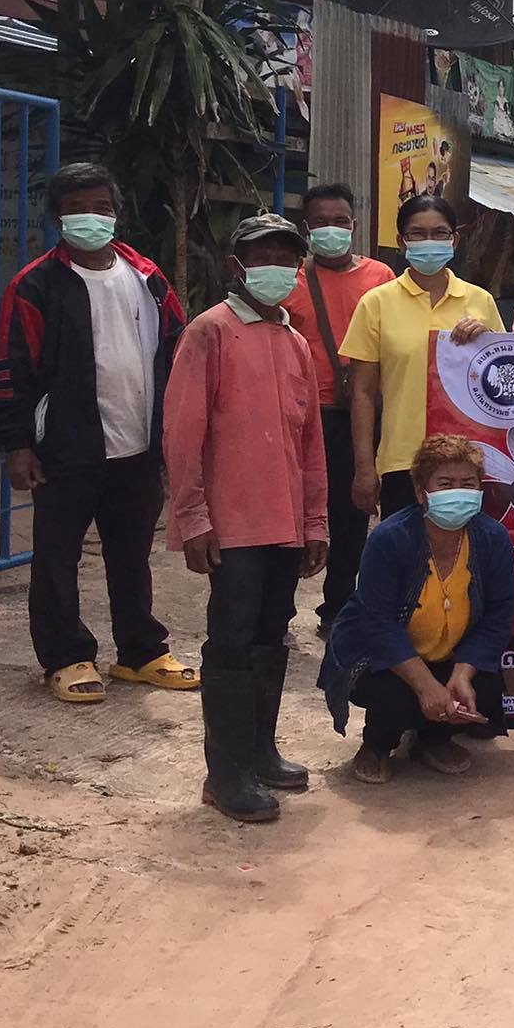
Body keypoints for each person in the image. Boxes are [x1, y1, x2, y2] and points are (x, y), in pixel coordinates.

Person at [0, 162, 198, 704]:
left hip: (138, 446)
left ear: (116, 213)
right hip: (66, 447)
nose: (90, 217)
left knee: (132, 554)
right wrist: (17, 445)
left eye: (101, 207)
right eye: (76, 208)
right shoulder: (34, 285)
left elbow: (178, 349)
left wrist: (173, 436)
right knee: (57, 557)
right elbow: (11, 366)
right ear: (57, 217)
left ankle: (140, 651)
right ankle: (65, 656)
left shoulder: (148, 278)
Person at [162, 215, 328, 822]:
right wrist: (193, 517)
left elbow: (310, 441)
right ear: (238, 267)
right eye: (263, 257)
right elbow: (182, 433)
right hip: (233, 523)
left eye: (287, 258)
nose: (276, 269)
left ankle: (260, 750)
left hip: (285, 521)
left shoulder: (295, 342)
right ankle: (225, 772)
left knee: (270, 631)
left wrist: (316, 521)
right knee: (231, 637)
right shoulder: (209, 331)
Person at [320, 434, 514, 783]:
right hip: (380, 658)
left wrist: (462, 675)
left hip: (450, 656)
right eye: (445, 483)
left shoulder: (493, 539)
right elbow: (377, 624)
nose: (458, 492)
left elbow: (497, 618)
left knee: (485, 687)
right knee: (397, 696)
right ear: (421, 492)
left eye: (468, 483)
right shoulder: (390, 538)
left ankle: (433, 741)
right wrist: (425, 686)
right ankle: (377, 743)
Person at [341, 195, 503, 519]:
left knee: (467, 549)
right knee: (405, 548)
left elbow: (501, 382)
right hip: (403, 461)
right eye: (418, 233)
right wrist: (364, 467)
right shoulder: (376, 303)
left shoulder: (481, 302)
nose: (429, 241)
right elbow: (363, 392)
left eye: (439, 233)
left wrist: (487, 340)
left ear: (454, 240)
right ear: (401, 242)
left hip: (468, 461)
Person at [282, 182, 394, 632]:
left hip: (362, 413)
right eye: (322, 222)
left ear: (354, 225)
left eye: (340, 221)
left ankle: (338, 610)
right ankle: (278, 612)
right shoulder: (289, 280)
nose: (332, 229)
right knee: (295, 515)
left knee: (352, 516)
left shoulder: (381, 276)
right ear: (306, 229)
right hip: (306, 415)